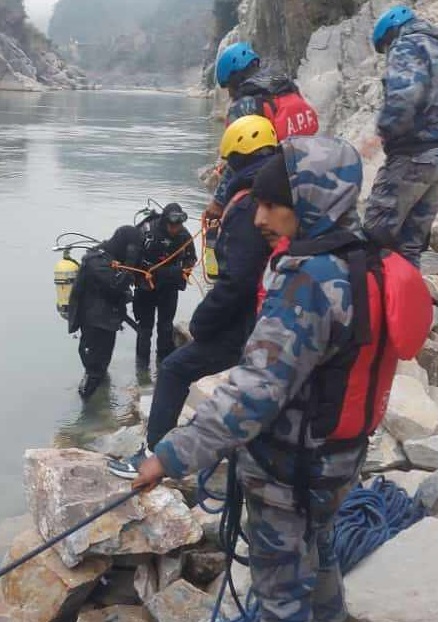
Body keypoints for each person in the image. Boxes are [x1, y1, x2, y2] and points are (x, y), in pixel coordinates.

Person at [132, 136, 432, 621]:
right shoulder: (368, 262)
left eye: (273, 205)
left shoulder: (308, 284)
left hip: (288, 472)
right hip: (340, 460)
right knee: (320, 556)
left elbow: (253, 395)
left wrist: (167, 456)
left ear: (312, 202)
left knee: (279, 596)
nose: (260, 218)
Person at [108, 115, 278, 479]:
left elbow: (238, 280)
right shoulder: (281, 190)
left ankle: (154, 454)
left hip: (253, 317)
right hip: (275, 309)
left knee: (172, 368)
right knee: (150, 336)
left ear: (235, 160)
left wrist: (202, 322)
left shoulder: (247, 206)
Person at [362, 5, 438, 266]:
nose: (387, 53)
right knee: (411, 243)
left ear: (389, 34)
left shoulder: (405, 46)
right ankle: (410, 302)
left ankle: (377, 301)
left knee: (375, 233)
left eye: (385, 46)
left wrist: (383, 132)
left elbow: (406, 94)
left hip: (414, 158)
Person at [210, 42, 319, 214]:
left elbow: (235, 160)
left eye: (228, 87)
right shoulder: (287, 87)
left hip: (275, 182)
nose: (229, 93)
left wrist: (217, 204)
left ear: (234, 77)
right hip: (309, 175)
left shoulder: (244, 104)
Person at [67, 225, 142, 399]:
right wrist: (129, 264)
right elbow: (115, 286)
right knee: (94, 369)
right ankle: (88, 414)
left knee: (102, 364)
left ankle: (102, 402)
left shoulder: (111, 257)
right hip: (94, 321)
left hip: (107, 319)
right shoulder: (96, 261)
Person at [134, 203, 197, 368]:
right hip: (146, 287)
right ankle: (142, 368)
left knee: (165, 326)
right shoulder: (147, 232)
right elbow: (131, 257)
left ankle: (163, 363)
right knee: (145, 328)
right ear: (164, 222)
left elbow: (191, 258)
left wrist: (184, 271)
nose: (176, 229)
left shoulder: (184, 236)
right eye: (173, 225)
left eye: (179, 225)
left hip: (169, 288)